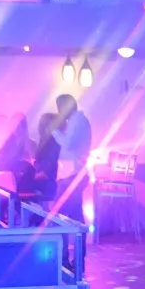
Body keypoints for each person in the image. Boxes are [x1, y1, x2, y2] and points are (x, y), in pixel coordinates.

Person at [52, 94, 92, 224]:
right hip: (72, 173)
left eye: (59, 108)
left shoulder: (77, 120)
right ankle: (77, 237)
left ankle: (72, 237)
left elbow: (68, 144)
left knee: (62, 213)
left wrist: (54, 131)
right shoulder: (77, 120)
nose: (58, 112)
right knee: (71, 213)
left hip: (73, 174)